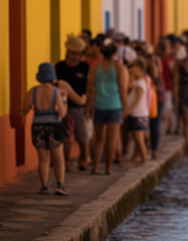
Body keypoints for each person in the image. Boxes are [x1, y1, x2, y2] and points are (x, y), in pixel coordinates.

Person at [21, 63, 69, 195]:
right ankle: (60, 186)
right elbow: (62, 113)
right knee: (58, 159)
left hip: (37, 126)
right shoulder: (55, 92)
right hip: (54, 126)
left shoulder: (33, 91)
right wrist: (64, 99)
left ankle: (44, 187)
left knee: (43, 159)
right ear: (52, 76)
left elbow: (24, 110)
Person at [86, 38, 128, 175]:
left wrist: (88, 105)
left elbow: (90, 87)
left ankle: (95, 167)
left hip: (98, 106)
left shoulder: (94, 67)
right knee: (110, 139)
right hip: (115, 107)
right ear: (114, 52)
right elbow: (122, 89)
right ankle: (108, 169)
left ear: (101, 51)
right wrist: (125, 107)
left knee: (98, 139)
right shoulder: (119, 68)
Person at [55, 34, 91, 171]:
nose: (75, 56)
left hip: (79, 106)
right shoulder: (59, 66)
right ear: (67, 52)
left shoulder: (85, 67)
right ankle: (66, 161)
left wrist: (88, 106)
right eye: (73, 53)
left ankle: (83, 157)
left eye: (78, 53)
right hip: (62, 105)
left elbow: (89, 87)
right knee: (66, 135)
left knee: (82, 133)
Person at [123, 58, 149, 166]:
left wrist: (128, 111)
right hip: (138, 114)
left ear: (139, 68)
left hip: (138, 114)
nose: (131, 69)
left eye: (133, 67)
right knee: (136, 139)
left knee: (138, 139)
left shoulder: (140, 84)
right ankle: (135, 159)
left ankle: (143, 161)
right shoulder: (139, 81)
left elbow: (137, 100)